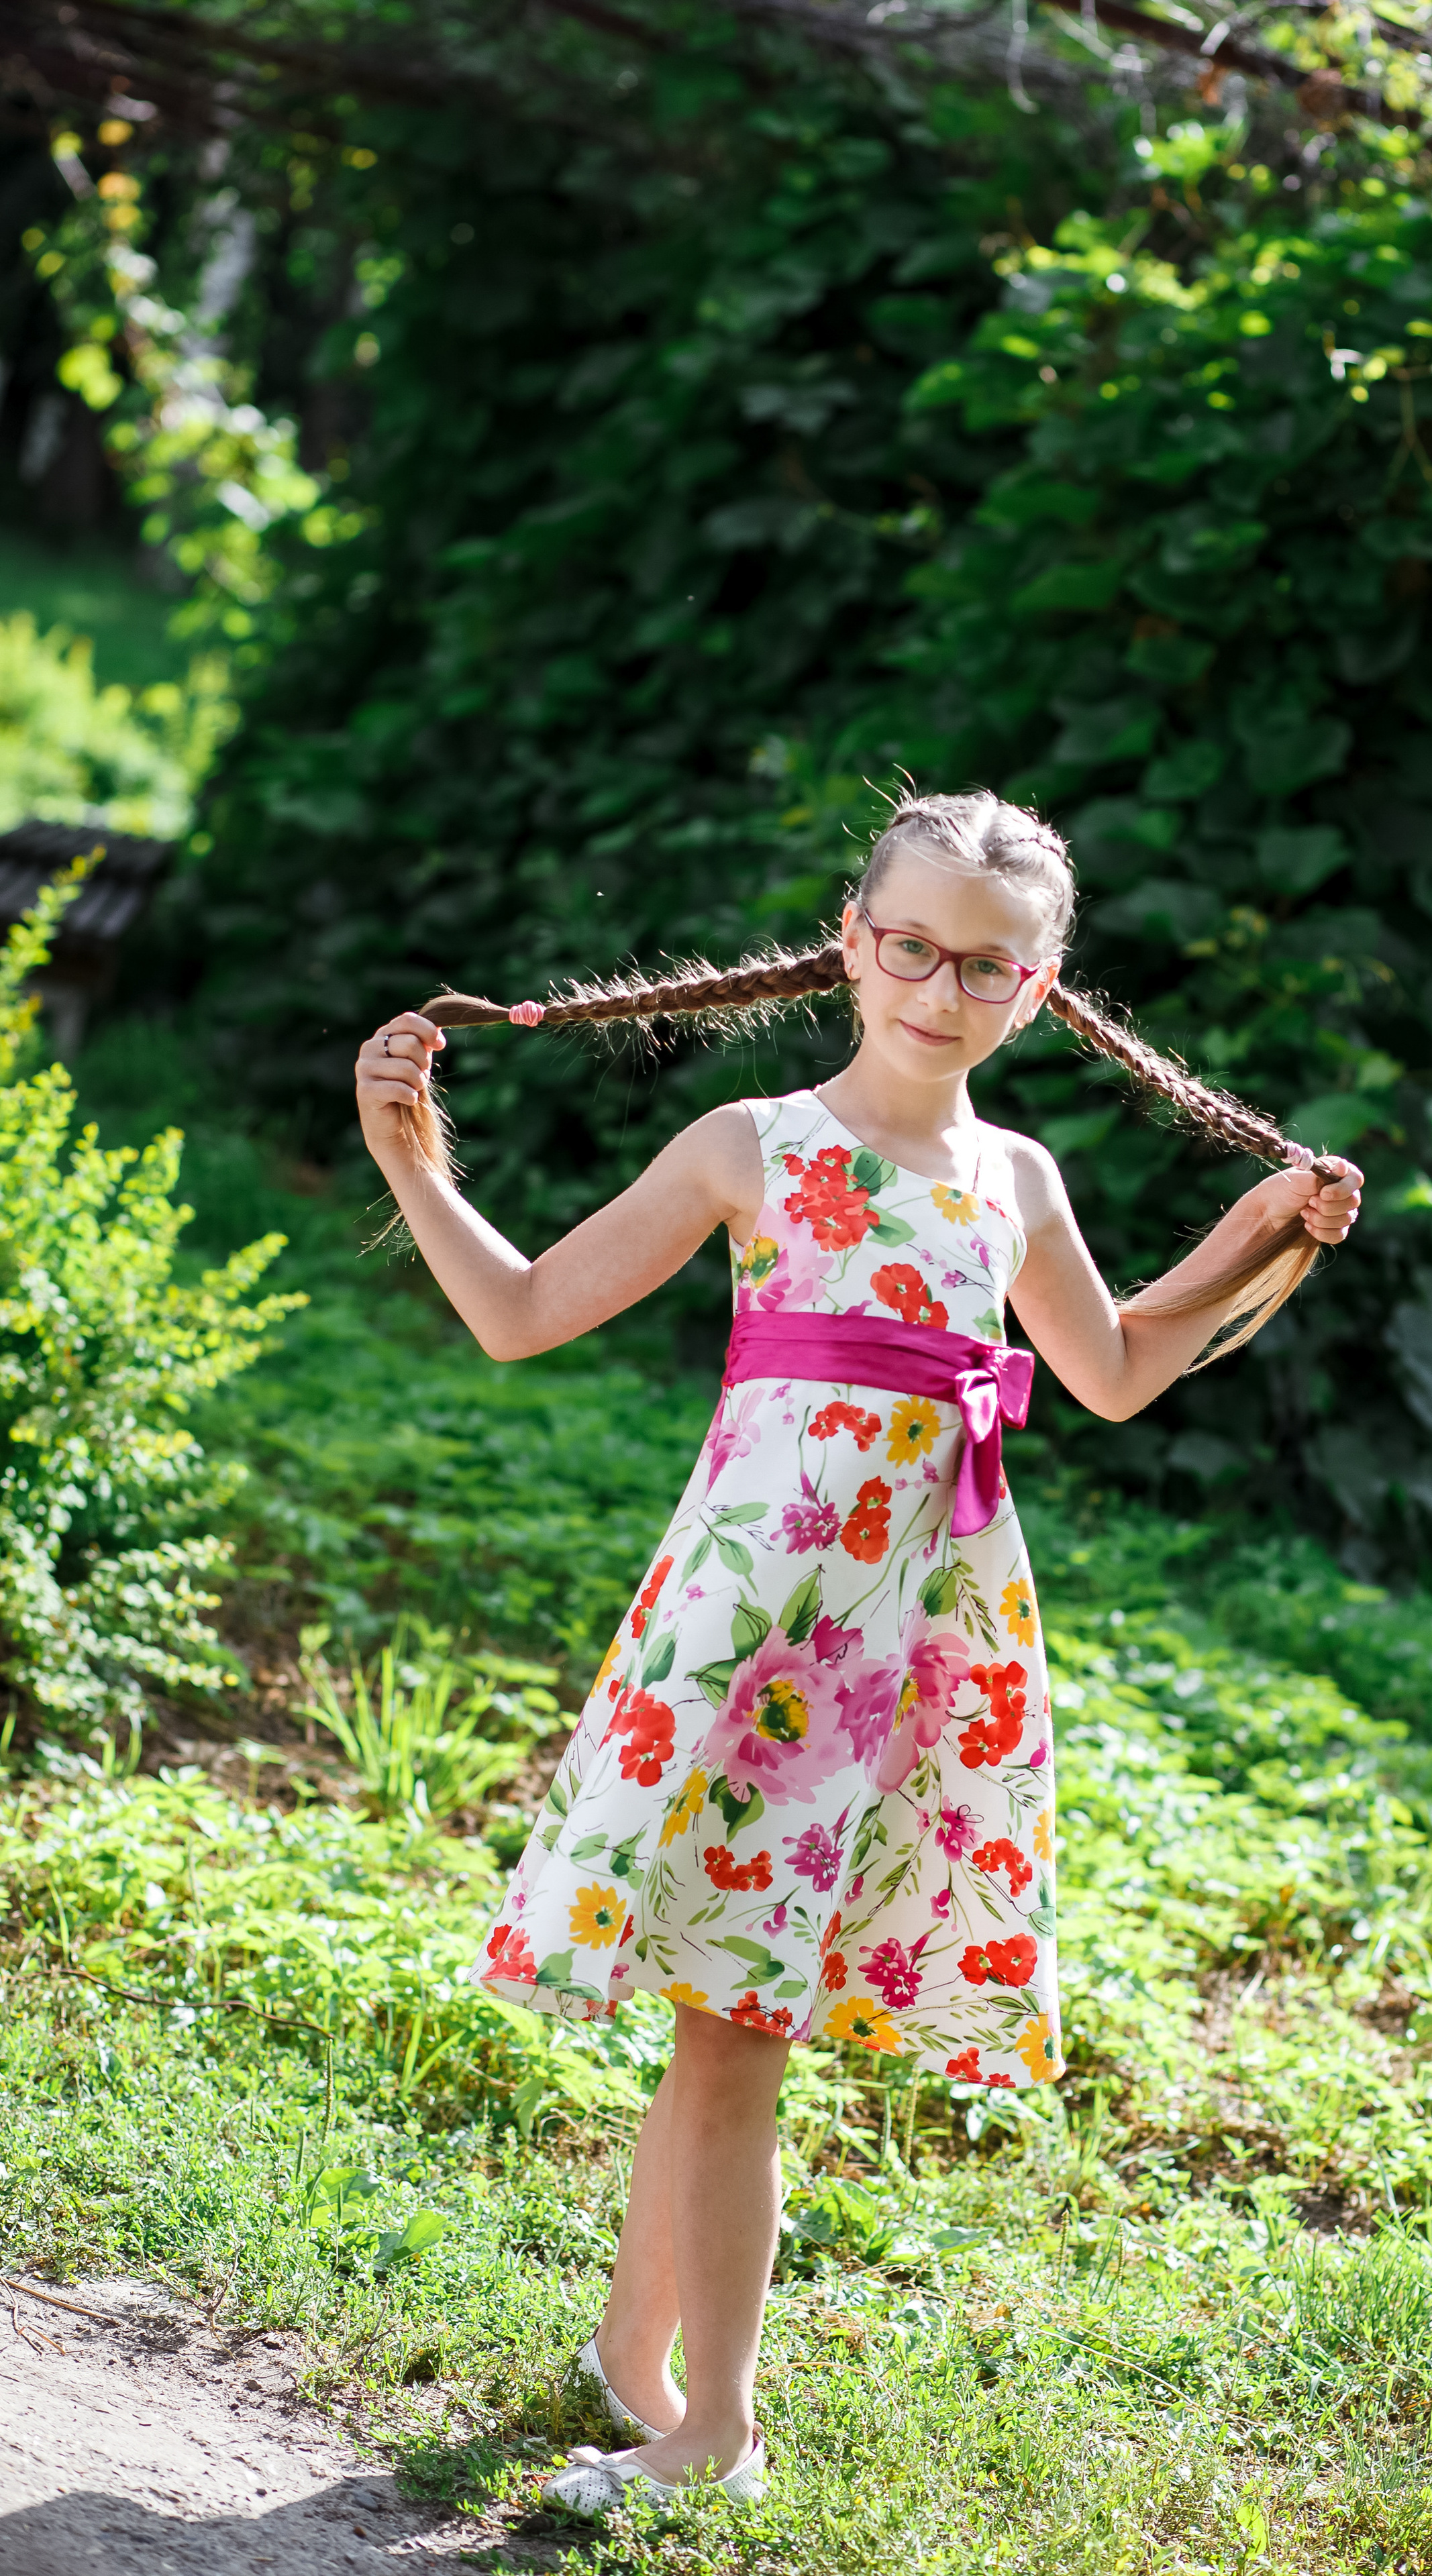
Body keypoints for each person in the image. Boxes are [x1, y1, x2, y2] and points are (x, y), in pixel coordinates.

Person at [354, 790, 1362, 2513]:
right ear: (851, 942)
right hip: (749, 1652)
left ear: (1037, 989)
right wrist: (408, 1162)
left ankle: (644, 2372)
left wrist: (1259, 1232)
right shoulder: (752, 1147)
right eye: (910, 948)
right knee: (727, 2021)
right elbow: (519, 1316)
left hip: (907, 1664)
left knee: (727, 2018)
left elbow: (1117, 1369)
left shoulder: (1012, 1180)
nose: (938, 989)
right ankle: (709, 2430)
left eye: (986, 967)